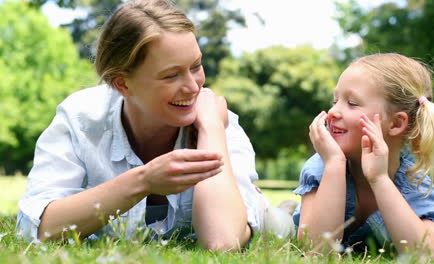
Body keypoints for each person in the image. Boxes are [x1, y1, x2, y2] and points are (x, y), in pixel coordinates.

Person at [16, 0, 293, 250]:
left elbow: (223, 242)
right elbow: (38, 229)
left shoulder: (218, 120)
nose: (193, 86)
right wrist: (144, 180)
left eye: (196, 66)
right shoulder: (80, 119)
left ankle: (286, 209)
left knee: (280, 225)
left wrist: (210, 129)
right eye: (171, 75)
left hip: (256, 214)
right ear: (123, 84)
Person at [293, 53, 434, 257]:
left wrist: (379, 179)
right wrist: (334, 164)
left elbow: (425, 256)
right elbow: (316, 250)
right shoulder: (322, 164)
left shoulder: (414, 178)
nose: (333, 111)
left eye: (352, 103)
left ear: (396, 123)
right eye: (335, 100)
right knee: (278, 223)